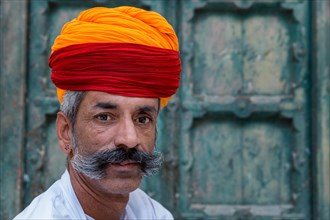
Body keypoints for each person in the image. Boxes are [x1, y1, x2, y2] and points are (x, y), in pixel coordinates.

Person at [15, 6, 181, 220]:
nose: (129, 140)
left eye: (142, 119)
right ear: (66, 132)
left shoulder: (153, 214)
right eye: (104, 117)